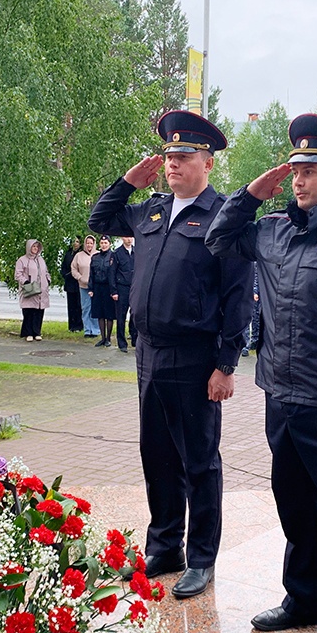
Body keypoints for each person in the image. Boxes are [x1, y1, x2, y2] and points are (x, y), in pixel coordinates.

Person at [206, 113, 317, 633]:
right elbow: (219, 238)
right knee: (295, 504)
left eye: (312, 169)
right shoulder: (274, 230)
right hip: (280, 391)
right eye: (295, 169)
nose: (299, 179)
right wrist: (253, 192)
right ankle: (302, 597)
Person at [88, 110, 250, 600]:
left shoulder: (224, 216)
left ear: (208, 163)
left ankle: (201, 558)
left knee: (199, 461)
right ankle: (164, 547)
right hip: (149, 354)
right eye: (168, 156)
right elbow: (99, 219)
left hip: (196, 356)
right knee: (156, 456)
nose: (173, 164)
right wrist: (127, 182)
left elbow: (237, 293)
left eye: (183, 157)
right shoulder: (151, 210)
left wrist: (226, 363)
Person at [14, 239, 50, 341]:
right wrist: (25, 281)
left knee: (39, 311)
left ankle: (37, 332)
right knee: (29, 311)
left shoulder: (41, 260)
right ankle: (28, 333)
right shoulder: (22, 260)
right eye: (33, 246)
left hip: (41, 290)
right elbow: (18, 274)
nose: (35, 248)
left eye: (37, 247)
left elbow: (46, 271)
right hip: (29, 289)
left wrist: (48, 280)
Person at [88, 235, 116, 346]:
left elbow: (114, 274)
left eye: (106, 243)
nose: (104, 245)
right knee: (100, 314)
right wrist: (90, 288)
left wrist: (114, 290)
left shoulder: (113, 256)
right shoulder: (95, 257)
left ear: (109, 244)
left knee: (109, 314)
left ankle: (108, 339)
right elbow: (91, 274)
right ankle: (102, 338)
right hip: (97, 288)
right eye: (102, 243)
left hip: (108, 288)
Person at [112, 236, 136, 353]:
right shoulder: (117, 253)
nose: (129, 239)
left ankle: (134, 338)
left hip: (134, 288)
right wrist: (114, 291)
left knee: (135, 314)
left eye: (131, 237)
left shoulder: (137, 251)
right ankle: (122, 343)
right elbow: (112, 273)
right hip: (122, 288)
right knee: (121, 316)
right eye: (127, 237)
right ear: (122, 238)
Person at [70, 234, 97, 338]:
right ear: (85, 244)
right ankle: (87, 329)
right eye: (87, 243)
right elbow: (73, 268)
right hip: (83, 286)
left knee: (95, 308)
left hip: (95, 287)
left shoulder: (98, 254)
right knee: (86, 308)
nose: (89, 245)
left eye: (91, 243)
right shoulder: (79, 256)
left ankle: (95, 330)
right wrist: (80, 277)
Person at [60, 237, 83, 332]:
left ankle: (79, 325)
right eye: (73, 241)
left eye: (77, 242)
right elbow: (63, 268)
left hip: (79, 283)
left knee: (79, 305)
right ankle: (72, 326)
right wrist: (65, 275)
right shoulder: (68, 254)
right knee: (71, 306)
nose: (75, 244)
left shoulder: (81, 254)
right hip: (70, 283)